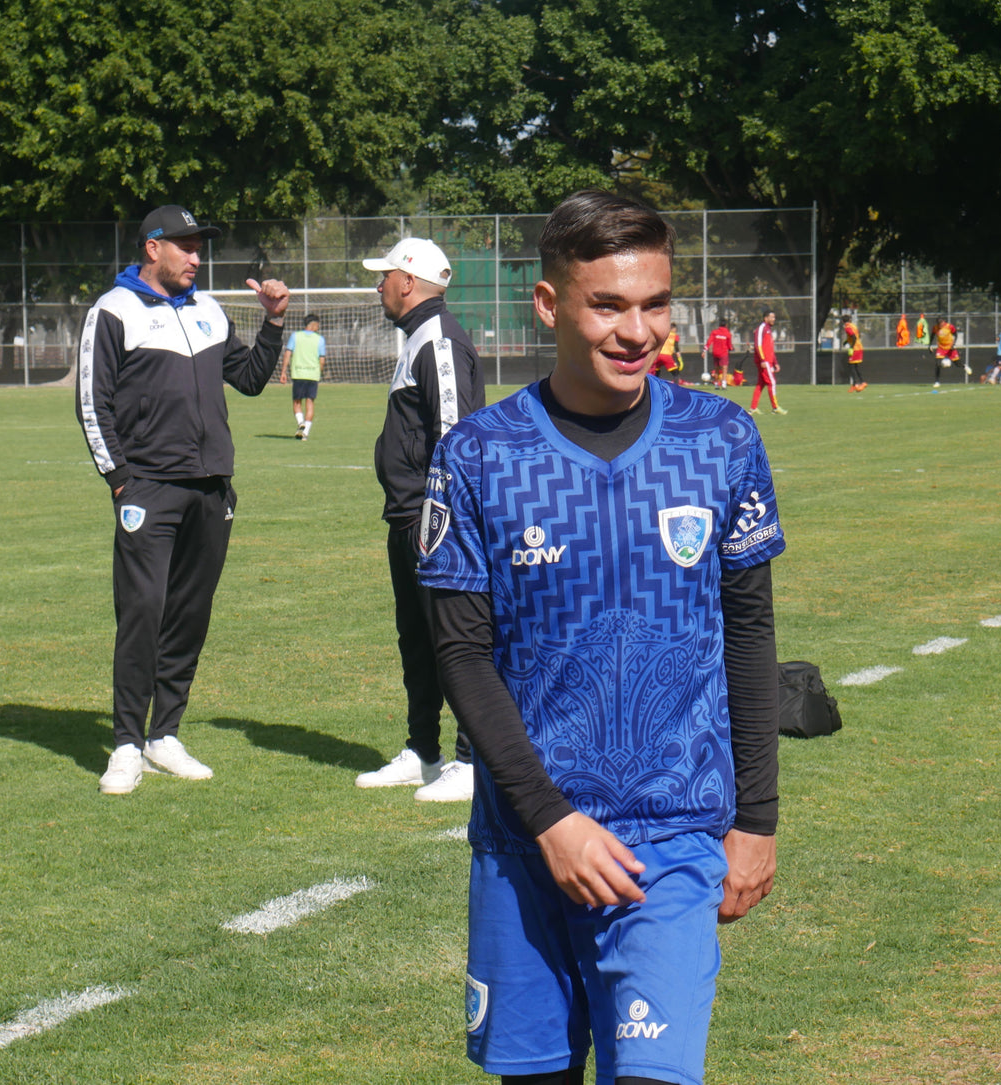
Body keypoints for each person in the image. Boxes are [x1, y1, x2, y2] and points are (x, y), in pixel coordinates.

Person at [417, 188, 785, 1085]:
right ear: (550, 305)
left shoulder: (721, 438)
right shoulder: (476, 455)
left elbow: (748, 630)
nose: (638, 331)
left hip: (671, 838)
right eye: (608, 305)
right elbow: (460, 653)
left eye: (655, 304)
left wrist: (757, 819)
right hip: (525, 843)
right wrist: (549, 820)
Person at [77, 203, 290, 794]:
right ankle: (125, 744)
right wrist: (121, 479)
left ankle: (164, 734)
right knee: (142, 611)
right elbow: (93, 405)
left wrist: (272, 323)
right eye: (187, 245)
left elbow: (247, 379)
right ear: (153, 248)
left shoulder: (209, 310)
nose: (198, 256)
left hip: (211, 489)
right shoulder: (113, 311)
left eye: (201, 246)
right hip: (148, 490)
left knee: (190, 614)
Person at [355, 237, 486, 802]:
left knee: (453, 638)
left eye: (384, 275)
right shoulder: (417, 340)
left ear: (407, 281)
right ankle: (424, 751)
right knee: (417, 638)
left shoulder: (437, 340)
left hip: (435, 523)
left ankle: (471, 757)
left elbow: (456, 439)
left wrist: (443, 525)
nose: (378, 285)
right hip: (408, 517)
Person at [279, 314, 326, 439]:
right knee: (310, 403)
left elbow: (288, 354)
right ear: (313, 324)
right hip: (313, 375)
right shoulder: (320, 339)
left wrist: (283, 372)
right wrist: (318, 372)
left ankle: (301, 424)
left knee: (297, 402)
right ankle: (305, 432)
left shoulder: (295, 336)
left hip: (298, 374)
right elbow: (322, 360)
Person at [749, 310, 786, 414]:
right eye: (771, 317)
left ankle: (753, 408)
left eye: (774, 317)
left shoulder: (769, 330)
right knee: (772, 382)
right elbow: (758, 345)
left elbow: (769, 348)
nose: (773, 319)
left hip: (768, 361)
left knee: (760, 384)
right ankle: (775, 408)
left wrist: (775, 362)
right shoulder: (762, 328)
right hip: (764, 362)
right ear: (766, 318)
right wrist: (763, 360)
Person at [931, 316, 968, 388]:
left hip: (950, 347)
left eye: (941, 323)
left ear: (943, 322)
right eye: (939, 324)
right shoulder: (935, 328)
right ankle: (937, 382)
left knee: (957, 363)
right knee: (937, 363)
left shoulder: (950, 326)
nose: (940, 325)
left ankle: (964, 366)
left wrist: (954, 344)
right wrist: (930, 345)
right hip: (941, 347)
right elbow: (932, 335)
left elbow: (955, 334)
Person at [705, 319, 733, 388]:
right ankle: (723, 383)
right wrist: (730, 348)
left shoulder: (714, 332)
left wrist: (704, 349)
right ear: (726, 325)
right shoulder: (727, 334)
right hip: (723, 353)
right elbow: (729, 345)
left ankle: (716, 384)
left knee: (716, 369)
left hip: (715, 353)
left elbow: (709, 341)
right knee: (724, 368)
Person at [842, 315, 867, 392]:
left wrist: (851, 347)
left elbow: (854, 337)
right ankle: (855, 384)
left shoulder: (847, 327)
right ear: (850, 320)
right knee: (855, 366)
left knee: (852, 366)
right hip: (859, 347)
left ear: (843, 321)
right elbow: (858, 335)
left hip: (855, 349)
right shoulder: (853, 326)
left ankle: (859, 383)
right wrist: (847, 341)